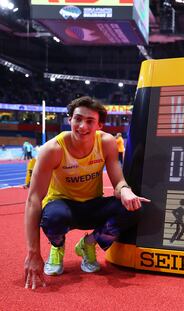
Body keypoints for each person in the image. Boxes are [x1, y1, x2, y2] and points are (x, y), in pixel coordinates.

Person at [24, 96, 150, 290]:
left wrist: (125, 191)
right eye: (78, 119)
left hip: (93, 204)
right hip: (63, 205)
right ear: (70, 120)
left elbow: (118, 182)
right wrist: (33, 253)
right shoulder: (53, 149)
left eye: (90, 121)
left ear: (99, 125)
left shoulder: (107, 143)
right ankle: (57, 246)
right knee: (54, 216)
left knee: (133, 208)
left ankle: (88, 243)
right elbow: (33, 200)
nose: (82, 126)